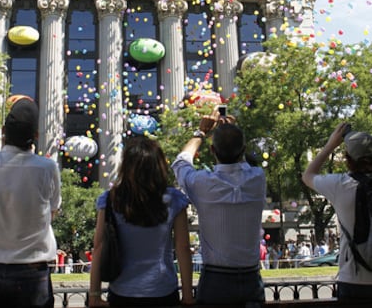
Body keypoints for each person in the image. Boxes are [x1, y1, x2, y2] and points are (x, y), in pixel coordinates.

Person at [0, 97, 61, 308]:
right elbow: (53, 210)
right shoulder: (47, 168)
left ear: (3, 131)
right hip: (33, 272)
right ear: (35, 136)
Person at [172, 105, 266, 306]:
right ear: (242, 149)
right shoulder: (258, 178)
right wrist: (234, 132)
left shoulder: (202, 183)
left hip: (216, 279)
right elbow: (250, 161)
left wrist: (201, 132)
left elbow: (180, 163)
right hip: (251, 277)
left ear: (213, 150)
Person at [88, 135, 194, 307]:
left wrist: (94, 294)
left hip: (122, 290)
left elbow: (99, 245)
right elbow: (182, 248)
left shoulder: (110, 200)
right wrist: (188, 295)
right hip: (162, 290)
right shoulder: (174, 199)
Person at [302, 123, 372, 301]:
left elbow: (308, 175)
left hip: (352, 278)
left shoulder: (340, 185)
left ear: (348, 159)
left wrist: (330, 145)